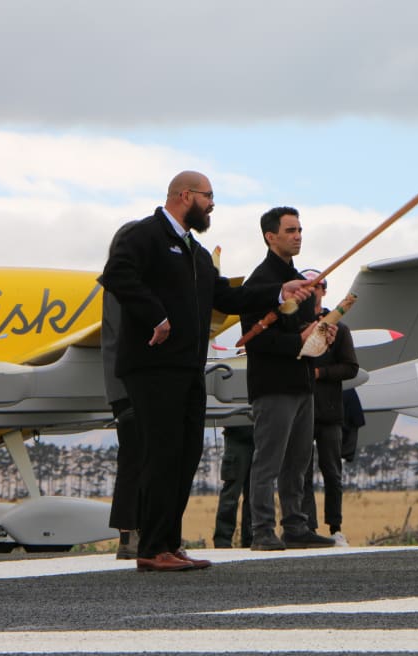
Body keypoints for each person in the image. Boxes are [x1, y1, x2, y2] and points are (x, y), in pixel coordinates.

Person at [99, 171, 311, 572]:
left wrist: (279, 291)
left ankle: (167, 543)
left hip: (188, 368)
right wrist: (156, 316)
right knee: (161, 453)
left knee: (185, 455)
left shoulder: (194, 253)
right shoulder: (143, 235)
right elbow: (117, 276)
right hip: (152, 367)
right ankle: (151, 547)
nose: (213, 204)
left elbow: (227, 296)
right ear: (185, 195)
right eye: (208, 196)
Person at [243, 207, 336, 551]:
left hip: (301, 383)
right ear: (271, 237)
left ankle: (296, 525)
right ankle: (263, 529)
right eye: (290, 230)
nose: (298, 235)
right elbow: (255, 340)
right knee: (268, 461)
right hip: (272, 384)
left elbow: (302, 334)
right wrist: (298, 340)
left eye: (300, 229)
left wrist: (319, 336)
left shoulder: (300, 283)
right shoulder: (259, 285)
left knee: (298, 462)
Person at [298, 269, 358, 546]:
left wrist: (321, 374)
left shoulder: (340, 328)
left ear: (325, 290)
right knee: (302, 471)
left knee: (332, 471)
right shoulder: (294, 326)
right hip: (301, 409)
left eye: (319, 286)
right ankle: (307, 525)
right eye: (309, 286)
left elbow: (351, 367)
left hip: (330, 411)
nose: (315, 291)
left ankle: (335, 526)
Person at [101, 221, 141, 559]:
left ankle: (131, 533)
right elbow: (116, 340)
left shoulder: (117, 284)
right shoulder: (123, 286)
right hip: (130, 388)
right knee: (135, 460)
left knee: (133, 459)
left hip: (124, 388)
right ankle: (130, 533)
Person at [212, 423, 254, 548]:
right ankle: (224, 540)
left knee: (247, 493)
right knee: (233, 493)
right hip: (240, 434)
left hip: (242, 433)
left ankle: (225, 540)